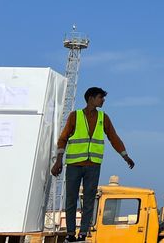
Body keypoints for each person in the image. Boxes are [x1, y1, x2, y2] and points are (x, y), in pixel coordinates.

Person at [51, 87, 135, 242]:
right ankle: (70, 233)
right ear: (91, 98)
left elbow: (113, 137)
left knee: (89, 200)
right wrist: (58, 160)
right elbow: (63, 138)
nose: (102, 100)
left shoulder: (104, 117)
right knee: (71, 199)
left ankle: (83, 233)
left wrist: (125, 156)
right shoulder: (75, 116)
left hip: (93, 165)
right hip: (74, 164)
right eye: (100, 97)